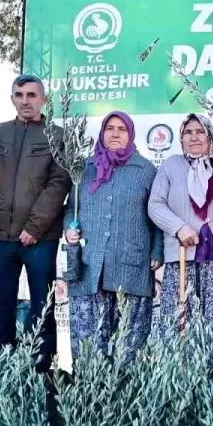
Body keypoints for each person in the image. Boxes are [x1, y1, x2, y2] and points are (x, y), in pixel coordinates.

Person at [0, 74, 71, 371]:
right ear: (12, 99)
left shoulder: (58, 136)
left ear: (43, 99)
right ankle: (1, 366)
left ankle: (39, 368)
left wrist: (34, 227)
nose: (25, 101)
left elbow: (59, 184)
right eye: (19, 95)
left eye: (32, 95)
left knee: (42, 305)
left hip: (41, 239)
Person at [63, 111, 164, 361]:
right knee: (87, 348)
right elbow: (70, 208)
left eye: (122, 129)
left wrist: (157, 250)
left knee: (129, 348)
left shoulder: (146, 170)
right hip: (89, 265)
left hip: (131, 266)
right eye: (110, 128)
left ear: (130, 134)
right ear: (102, 133)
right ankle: (89, 385)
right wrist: (68, 229)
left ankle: (126, 387)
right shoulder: (84, 169)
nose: (115, 133)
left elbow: (158, 213)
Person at [148, 114, 213, 356]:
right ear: (181, 138)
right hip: (182, 259)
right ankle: (182, 379)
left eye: (200, 131)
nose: (194, 137)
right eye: (188, 132)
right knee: (178, 328)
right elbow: (155, 204)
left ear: (210, 135)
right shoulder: (171, 166)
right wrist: (179, 228)